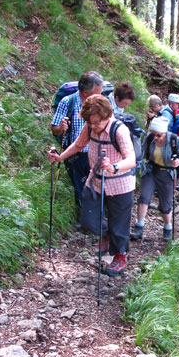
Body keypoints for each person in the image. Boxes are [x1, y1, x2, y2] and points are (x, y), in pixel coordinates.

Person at [48, 95, 136, 276]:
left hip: (120, 184)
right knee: (88, 220)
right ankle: (107, 234)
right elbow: (78, 145)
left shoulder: (119, 131)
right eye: (90, 122)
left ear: (107, 115)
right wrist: (60, 157)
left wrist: (113, 167)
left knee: (119, 225)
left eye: (96, 122)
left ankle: (121, 256)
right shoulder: (89, 127)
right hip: (95, 180)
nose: (93, 126)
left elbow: (131, 159)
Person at [51, 71, 104, 215]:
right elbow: (54, 128)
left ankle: (97, 217)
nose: (100, 96)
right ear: (86, 92)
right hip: (75, 154)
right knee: (80, 187)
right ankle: (85, 219)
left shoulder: (98, 104)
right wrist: (60, 128)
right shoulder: (68, 102)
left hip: (95, 152)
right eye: (97, 93)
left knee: (98, 185)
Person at [130, 117, 179, 242]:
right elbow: (141, 153)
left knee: (165, 204)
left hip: (167, 174)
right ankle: (139, 227)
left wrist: (178, 162)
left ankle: (168, 228)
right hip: (151, 171)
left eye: (158, 135)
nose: (155, 137)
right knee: (144, 198)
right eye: (153, 134)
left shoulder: (174, 140)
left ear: (165, 132)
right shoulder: (150, 138)